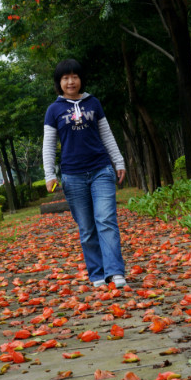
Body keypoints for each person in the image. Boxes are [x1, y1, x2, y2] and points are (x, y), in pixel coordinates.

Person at [43, 58, 126, 288]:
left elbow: (107, 135)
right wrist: (50, 174)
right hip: (73, 175)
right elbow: (49, 145)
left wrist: (118, 161)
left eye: (75, 76)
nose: (71, 81)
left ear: (81, 79)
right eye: (65, 78)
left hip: (101, 169)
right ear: (59, 82)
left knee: (106, 220)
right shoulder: (54, 110)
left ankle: (115, 272)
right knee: (87, 228)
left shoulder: (93, 103)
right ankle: (98, 274)